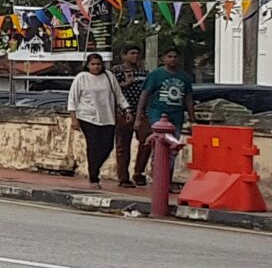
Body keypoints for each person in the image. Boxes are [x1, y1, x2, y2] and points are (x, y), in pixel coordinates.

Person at [131, 47, 194, 186]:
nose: (172, 59)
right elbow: (144, 95)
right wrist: (138, 117)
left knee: (173, 149)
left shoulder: (184, 77)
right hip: (157, 115)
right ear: (163, 59)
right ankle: (158, 178)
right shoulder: (156, 75)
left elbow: (188, 99)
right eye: (169, 56)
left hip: (176, 117)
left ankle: (167, 180)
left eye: (175, 56)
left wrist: (192, 119)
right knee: (159, 146)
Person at [66, 55, 126, 185]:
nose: (96, 67)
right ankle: (93, 174)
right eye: (93, 64)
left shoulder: (109, 76)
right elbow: (73, 99)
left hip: (107, 117)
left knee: (108, 146)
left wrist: (126, 109)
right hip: (87, 116)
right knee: (93, 145)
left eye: (98, 64)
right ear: (88, 65)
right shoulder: (82, 78)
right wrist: (74, 118)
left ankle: (95, 167)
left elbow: (118, 94)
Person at [112, 45, 145, 185]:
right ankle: (123, 177)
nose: (135, 56)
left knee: (146, 141)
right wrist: (126, 83)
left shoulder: (144, 71)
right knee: (123, 145)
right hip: (123, 111)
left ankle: (139, 172)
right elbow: (112, 90)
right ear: (124, 55)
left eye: (137, 53)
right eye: (132, 53)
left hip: (142, 111)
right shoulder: (117, 71)